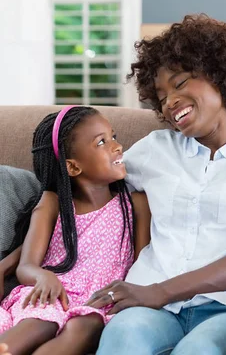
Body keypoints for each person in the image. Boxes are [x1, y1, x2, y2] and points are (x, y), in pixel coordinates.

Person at [87, 14, 226, 355]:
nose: (169, 102)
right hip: (149, 308)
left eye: (180, 83)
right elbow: (89, 182)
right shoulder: (153, 149)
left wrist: (160, 291)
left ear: (220, 75)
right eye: (160, 96)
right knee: (122, 336)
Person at [0, 106, 151, 355]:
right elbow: (26, 266)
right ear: (73, 167)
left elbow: (142, 264)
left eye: (113, 136)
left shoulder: (136, 203)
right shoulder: (53, 202)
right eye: (102, 141)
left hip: (100, 300)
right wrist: (42, 276)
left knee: (86, 326)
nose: (117, 146)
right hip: (50, 293)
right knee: (41, 322)